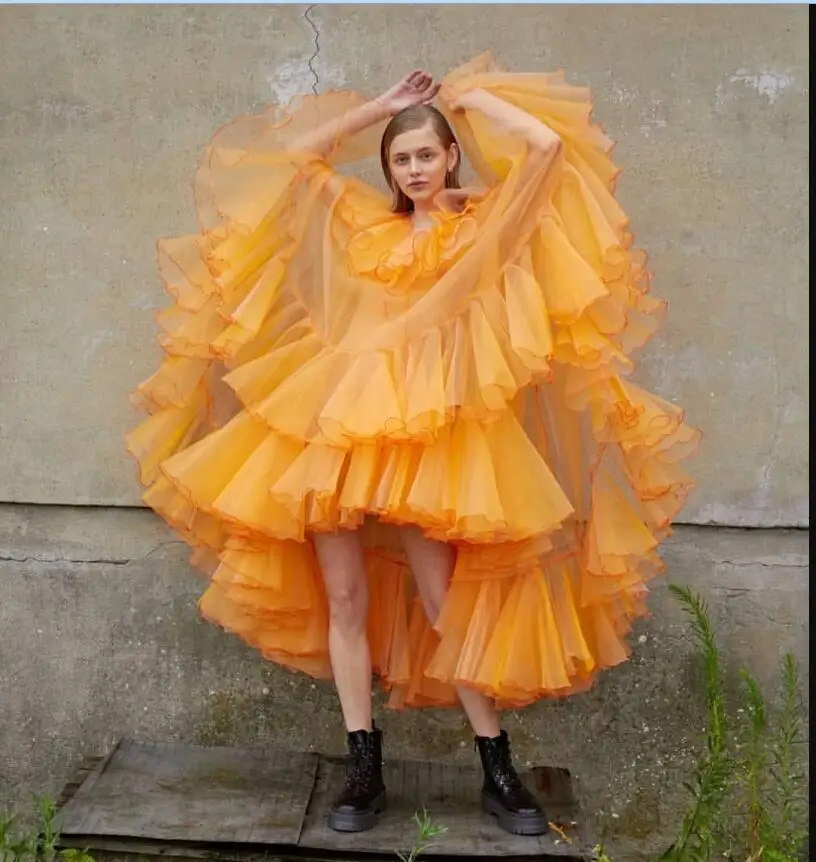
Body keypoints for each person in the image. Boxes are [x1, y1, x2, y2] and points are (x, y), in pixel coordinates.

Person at [126, 53, 699, 837]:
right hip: (331, 429)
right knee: (348, 596)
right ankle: (364, 767)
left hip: (428, 440)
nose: (416, 167)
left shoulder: (483, 222)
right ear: (389, 167)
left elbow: (548, 152)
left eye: (426, 152)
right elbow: (294, 161)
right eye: (402, 158)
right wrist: (382, 107)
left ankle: (497, 768)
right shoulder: (365, 222)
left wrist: (475, 97)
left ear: (449, 154)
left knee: (442, 601)